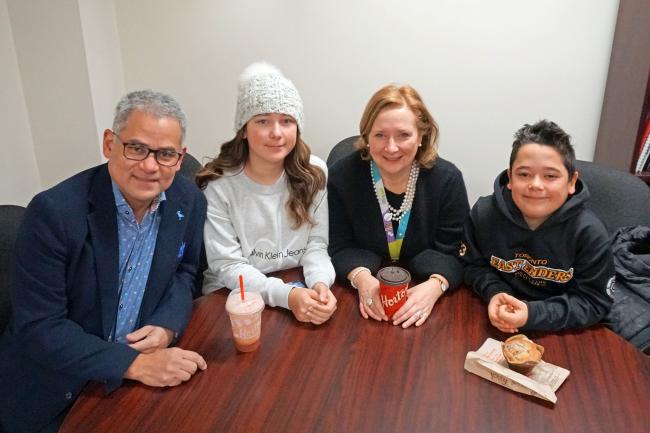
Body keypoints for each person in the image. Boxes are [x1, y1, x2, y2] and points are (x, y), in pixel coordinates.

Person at [0, 90, 208, 433]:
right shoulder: (54, 213)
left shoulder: (188, 200)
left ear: (180, 156)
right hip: (58, 388)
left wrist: (168, 323)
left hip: (134, 382)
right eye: (136, 148)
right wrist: (135, 364)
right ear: (109, 143)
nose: (150, 166)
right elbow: (40, 326)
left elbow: (185, 272)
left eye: (166, 154)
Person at [197, 62, 337, 325]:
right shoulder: (218, 185)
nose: (276, 133)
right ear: (243, 130)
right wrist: (288, 296)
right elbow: (228, 267)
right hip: (233, 297)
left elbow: (316, 245)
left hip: (297, 285)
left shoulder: (314, 173)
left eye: (286, 121)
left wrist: (321, 282)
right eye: (263, 121)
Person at [328, 84, 469, 328]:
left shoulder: (447, 179)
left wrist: (436, 286)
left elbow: (457, 249)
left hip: (426, 300)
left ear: (421, 135)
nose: (391, 147)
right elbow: (337, 244)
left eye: (403, 135)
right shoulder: (342, 175)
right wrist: (361, 278)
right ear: (366, 136)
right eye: (380, 135)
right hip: (359, 299)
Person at [461, 119, 614, 333]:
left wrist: (533, 314)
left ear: (571, 182)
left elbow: (594, 300)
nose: (535, 184)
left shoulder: (589, 232)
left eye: (550, 176)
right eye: (523, 174)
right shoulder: (484, 214)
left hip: (560, 329)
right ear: (510, 178)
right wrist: (495, 292)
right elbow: (472, 265)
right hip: (494, 316)